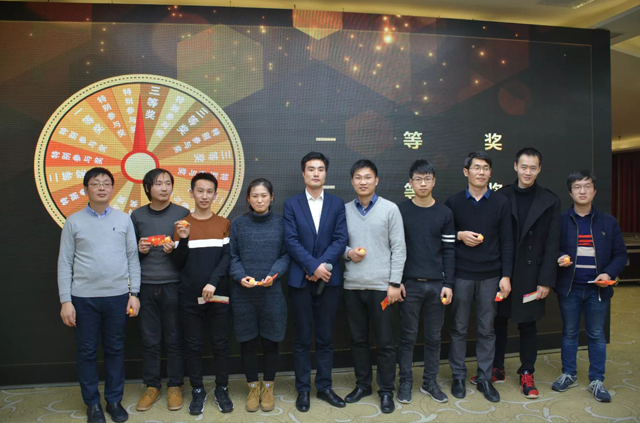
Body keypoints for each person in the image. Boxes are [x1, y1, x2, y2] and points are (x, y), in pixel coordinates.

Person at [57, 167, 140, 423]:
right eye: (95, 183)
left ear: (113, 189)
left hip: (118, 297)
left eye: (106, 183)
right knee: (86, 351)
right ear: (86, 189)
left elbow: (132, 258)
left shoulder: (124, 220)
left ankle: (114, 400)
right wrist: (66, 301)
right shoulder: (73, 222)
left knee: (115, 349)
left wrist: (134, 293)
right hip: (83, 299)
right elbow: (64, 262)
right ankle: (92, 403)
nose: (101, 187)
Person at [485, 148, 561, 399]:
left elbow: (552, 244)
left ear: (539, 169)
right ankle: (497, 367)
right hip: (504, 272)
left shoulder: (550, 200)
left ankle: (527, 371)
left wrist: (546, 280)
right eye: (524, 166)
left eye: (533, 167)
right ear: (516, 166)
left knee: (529, 325)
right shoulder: (501, 196)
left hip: (533, 274)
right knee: (498, 321)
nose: (528, 172)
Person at [552, 170, 627, 402]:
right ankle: (569, 373)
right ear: (570, 192)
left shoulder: (608, 222)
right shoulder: (561, 221)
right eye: (577, 187)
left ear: (594, 191)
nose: (582, 191)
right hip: (570, 288)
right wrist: (560, 256)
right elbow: (551, 248)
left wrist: (608, 273)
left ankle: (597, 380)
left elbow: (620, 254)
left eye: (587, 186)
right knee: (569, 332)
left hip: (598, 289)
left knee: (596, 334)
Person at [445, 151, 513, 403]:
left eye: (485, 168)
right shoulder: (453, 202)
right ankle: (458, 376)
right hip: (461, 275)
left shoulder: (501, 202)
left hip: (491, 276)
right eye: (476, 168)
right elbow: (443, 238)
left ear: (490, 173)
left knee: (487, 329)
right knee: (458, 328)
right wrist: (459, 235)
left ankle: (485, 378)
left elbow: (507, 242)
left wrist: (506, 276)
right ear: (466, 172)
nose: (481, 172)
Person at [283, 151, 348, 412]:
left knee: (325, 337)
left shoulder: (337, 203)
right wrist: (312, 266)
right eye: (311, 169)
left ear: (326, 173)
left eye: (320, 169)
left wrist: (321, 267)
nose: (316, 173)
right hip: (301, 280)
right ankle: (303, 390)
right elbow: (291, 240)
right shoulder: (292, 204)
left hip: (329, 280)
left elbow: (340, 239)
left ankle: (324, 387)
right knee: (301, 339)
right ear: (303, 173)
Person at [342, 159, 406, 414]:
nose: (363, 182)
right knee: (358, 340)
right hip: (352, 286)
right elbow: (337, 244)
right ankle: (363, 385)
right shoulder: (344, 210)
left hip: (382, 288)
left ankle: (386, 390)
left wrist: (394, 283)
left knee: (385, 342)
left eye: (368, 177)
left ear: (376, 180)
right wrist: (348, 253)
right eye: (358, 177)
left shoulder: (390, 209)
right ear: (352, 181)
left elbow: (399, 248)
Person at [172, 173, 234, 415]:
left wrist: (212, 283)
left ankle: (222, 388)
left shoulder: (223, 223)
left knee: (220, 343)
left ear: (216, 195)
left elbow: (227, 258)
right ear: (191, 193)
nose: (205, 196)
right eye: (200, 191)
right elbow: (178, 263)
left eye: (209, 191)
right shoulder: (182, 225)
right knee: (193, 345)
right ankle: (197, 389)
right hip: (190, 296)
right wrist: (183, 240)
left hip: (219, 295)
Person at [229, 178, 290, 413]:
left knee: (271, 341)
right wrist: (240, 276)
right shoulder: (238, 224)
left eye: (264, 195)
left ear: (272, 197)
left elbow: (285, 255)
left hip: (271, 292)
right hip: (243, 294)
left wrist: (274, 274)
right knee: (247, 342)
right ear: (248, 198)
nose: (259, 200)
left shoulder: (282, 223)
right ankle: (252, 387)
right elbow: (233, 256)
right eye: (255, 196)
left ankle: (268, 387)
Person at [397, 159, 455, 405]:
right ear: (410, 182)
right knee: (407, 337)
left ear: (434, 181)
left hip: (437, 285)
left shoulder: (445, 213)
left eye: (427, 179)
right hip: (409, 285)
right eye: (418, 179)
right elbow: (395, 249)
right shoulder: (400, 211)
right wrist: (397, 281)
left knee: (433, 337)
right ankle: (406, 381)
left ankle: (429, 382)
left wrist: (448, 284)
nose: (423, 183)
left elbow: (449, 251)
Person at [131, 169, 189, 412]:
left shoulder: (182, 213)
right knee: (150, 340)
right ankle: (152, 386)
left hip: (174, 285)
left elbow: (188, 254)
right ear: (147, 188)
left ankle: (175, 385)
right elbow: (128, 255)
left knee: (174, 339)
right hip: (146, 285)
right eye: (158, 184)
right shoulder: (137, 216)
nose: (164, 188)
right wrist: (139, 250)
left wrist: (176, 249)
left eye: (168, 183)